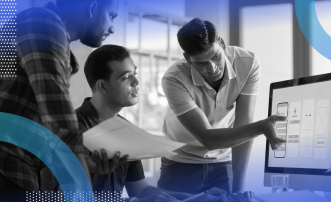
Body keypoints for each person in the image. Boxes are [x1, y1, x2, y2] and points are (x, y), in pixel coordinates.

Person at [0, 0, 120, 200]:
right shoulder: (43, 23)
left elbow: (41, 124)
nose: (112, 28)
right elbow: (58, 115)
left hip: (18, 170)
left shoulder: (55, 37)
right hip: (7, 167)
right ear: (92, 8)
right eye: (111, 16)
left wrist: (84, 162)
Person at [79, 44, 229, 202]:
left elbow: (141, 190)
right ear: (102, 86)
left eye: (135, 74)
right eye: (126, 77)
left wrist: (199, 198)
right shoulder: (72, 130)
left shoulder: (127, 131)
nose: (136, 81)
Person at [158, 18, 286, 194]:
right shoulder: (173, 79)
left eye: (216, 57)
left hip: (224, 162)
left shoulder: (247, 63)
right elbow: (208, 139)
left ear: (222, 45)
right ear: (188, 59)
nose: (211, 69)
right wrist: (261, 127)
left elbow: (243, 126)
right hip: (180, 161)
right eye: (201, 63)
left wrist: (239, 188)